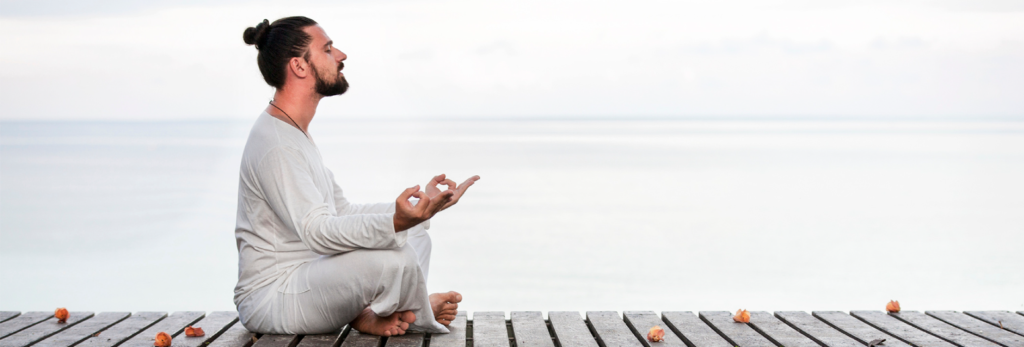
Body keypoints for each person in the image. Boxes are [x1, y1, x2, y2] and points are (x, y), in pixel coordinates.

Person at [233, 16, 479, 336]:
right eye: (328, 49)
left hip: (310, 281)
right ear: (299, 66)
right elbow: (317, 232)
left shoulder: (293, 133)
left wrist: (418, 210)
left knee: (416, 234)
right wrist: (394, 223)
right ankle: (410, 311)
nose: (341, 56)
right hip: (273, 299)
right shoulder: (276, 144)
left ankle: (381, 312)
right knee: (397, 259)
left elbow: (343, 213)